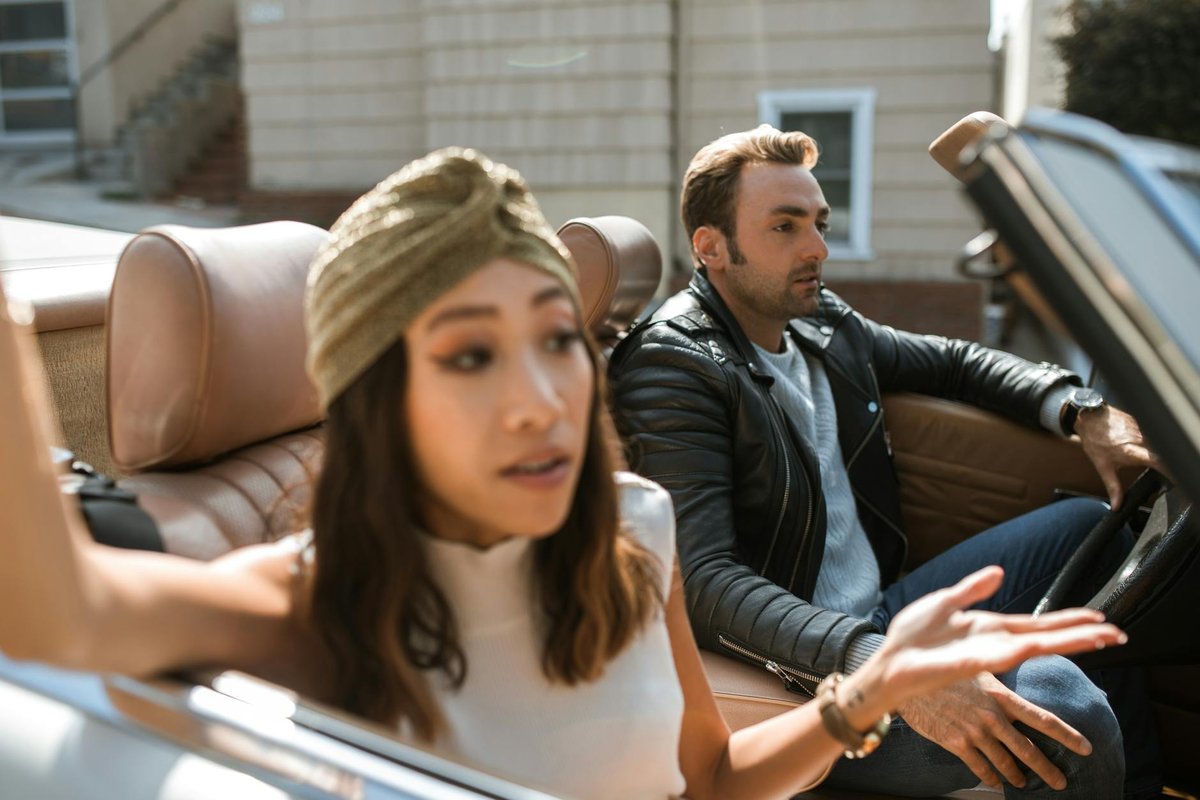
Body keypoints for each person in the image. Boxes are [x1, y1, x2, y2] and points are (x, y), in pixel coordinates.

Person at [0, 147, 1126, 800]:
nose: (544, 395)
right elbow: (58, 610)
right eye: (470, 355)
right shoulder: (318, 594)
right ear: (378, 403)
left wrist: (862, 695)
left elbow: (716, 784)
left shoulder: (633, 528)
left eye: (554, 337)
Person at [607, 125, 1163, 799]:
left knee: (1093, 528)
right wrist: (881, 666)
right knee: (1065, 712)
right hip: (795, 665)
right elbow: (706, 582)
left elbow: (955, 362)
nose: (817, 247)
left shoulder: (815, 321)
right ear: (711, 247)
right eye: (784, 227)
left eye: (819, 222)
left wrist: (1081, 410)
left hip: (879, 610)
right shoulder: (673, 365)